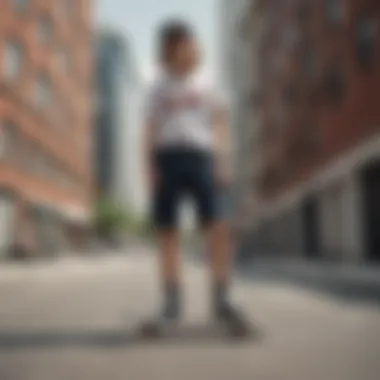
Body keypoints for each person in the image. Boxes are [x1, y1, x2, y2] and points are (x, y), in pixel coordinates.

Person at [143, 19, 246, 330]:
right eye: (172, 48)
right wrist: (148, 169)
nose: (180, 53)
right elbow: (149, 130)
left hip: (203, 158)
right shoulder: (157, 86)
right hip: (167, 158)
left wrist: (224, 160)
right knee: (168, 232)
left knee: (218, 228)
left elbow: (220, 123)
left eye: (185, 46)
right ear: (165, 52)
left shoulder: (208, 80)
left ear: (192, 47)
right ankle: (171, 305)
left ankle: (221, 301)